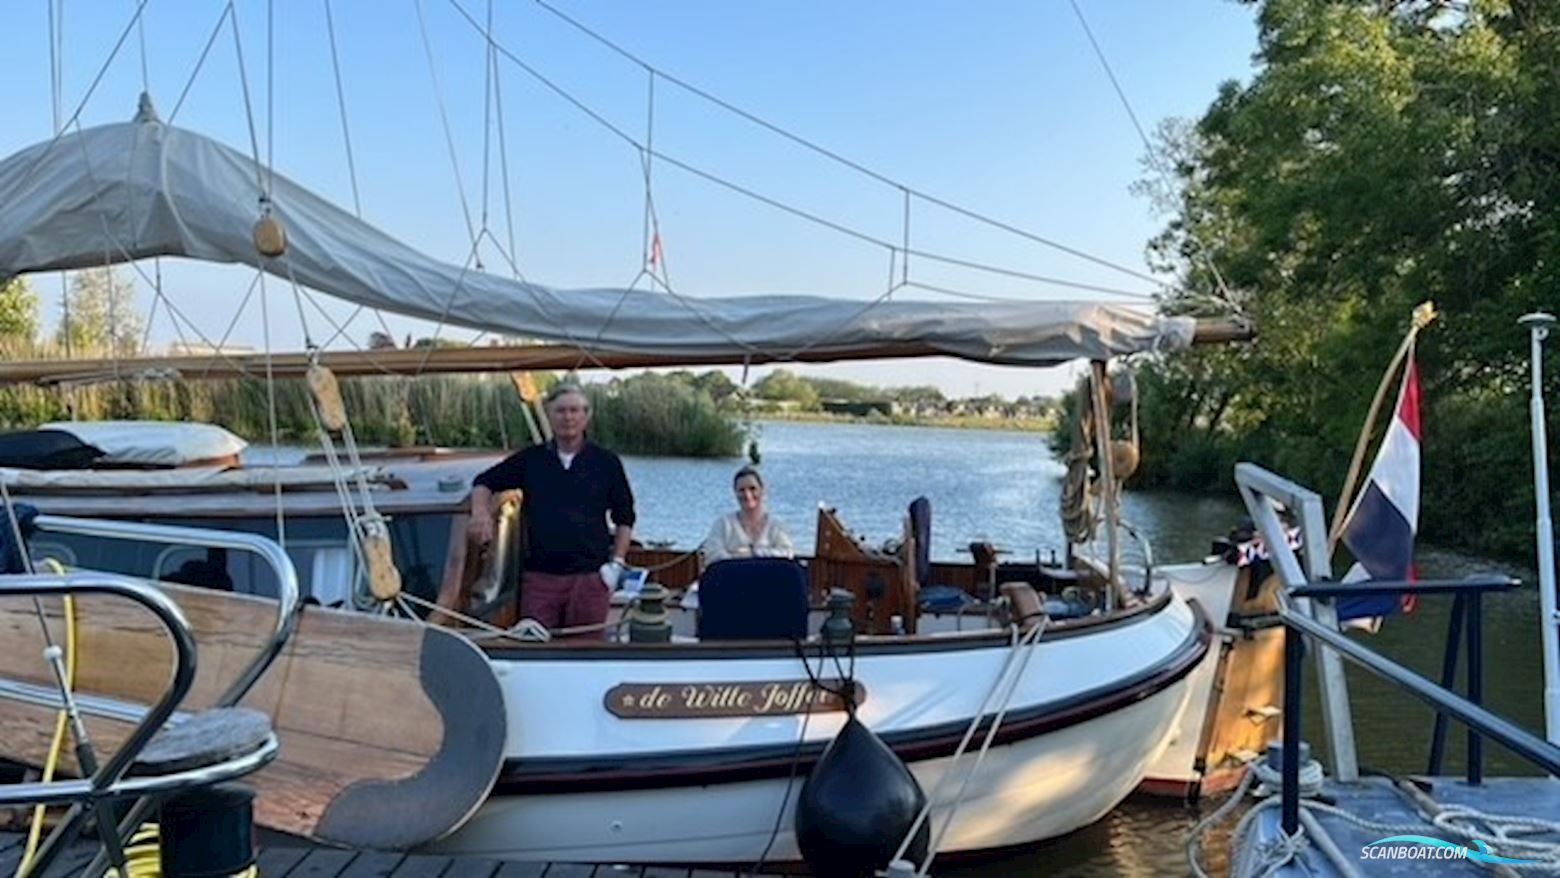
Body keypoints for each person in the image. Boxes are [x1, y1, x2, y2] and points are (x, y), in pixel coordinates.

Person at [468, 384, 636, 637]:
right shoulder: (531, 460)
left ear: (586, 416)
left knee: (587, 653)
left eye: (574, 410)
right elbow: (483, 482)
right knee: (533, 644)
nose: (568, 417)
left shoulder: (606, 463)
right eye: (560, 411)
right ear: (549, 415)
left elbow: (625, 517)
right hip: (540, 579)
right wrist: (480, 514)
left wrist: (616, 565)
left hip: (590, 579)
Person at [700, 465, 794, 567]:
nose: (747, 494)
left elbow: (787, 553)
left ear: (762, 490)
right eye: (741, 490)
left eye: (752, 488)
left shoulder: (777, 526)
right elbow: (712, 555)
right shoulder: (723, 524)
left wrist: (755, 554)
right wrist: (738, 561)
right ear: (735, 492)